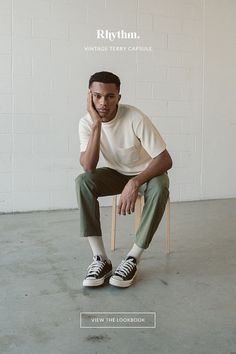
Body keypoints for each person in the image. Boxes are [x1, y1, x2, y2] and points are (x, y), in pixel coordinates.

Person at [75, 71, 172, 288]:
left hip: (146, 173)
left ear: (119, 97)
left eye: (110, 96)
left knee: (161, 186)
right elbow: (89, 167)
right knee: (83, 182)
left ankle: (133, 258)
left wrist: (135, 182)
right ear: (89, 96)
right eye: (98, 96)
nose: (103, 102)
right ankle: (100, 258)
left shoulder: (135, 118)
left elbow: (165, 160)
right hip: (116, 173)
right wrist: (97, 125)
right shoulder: (85, 123)